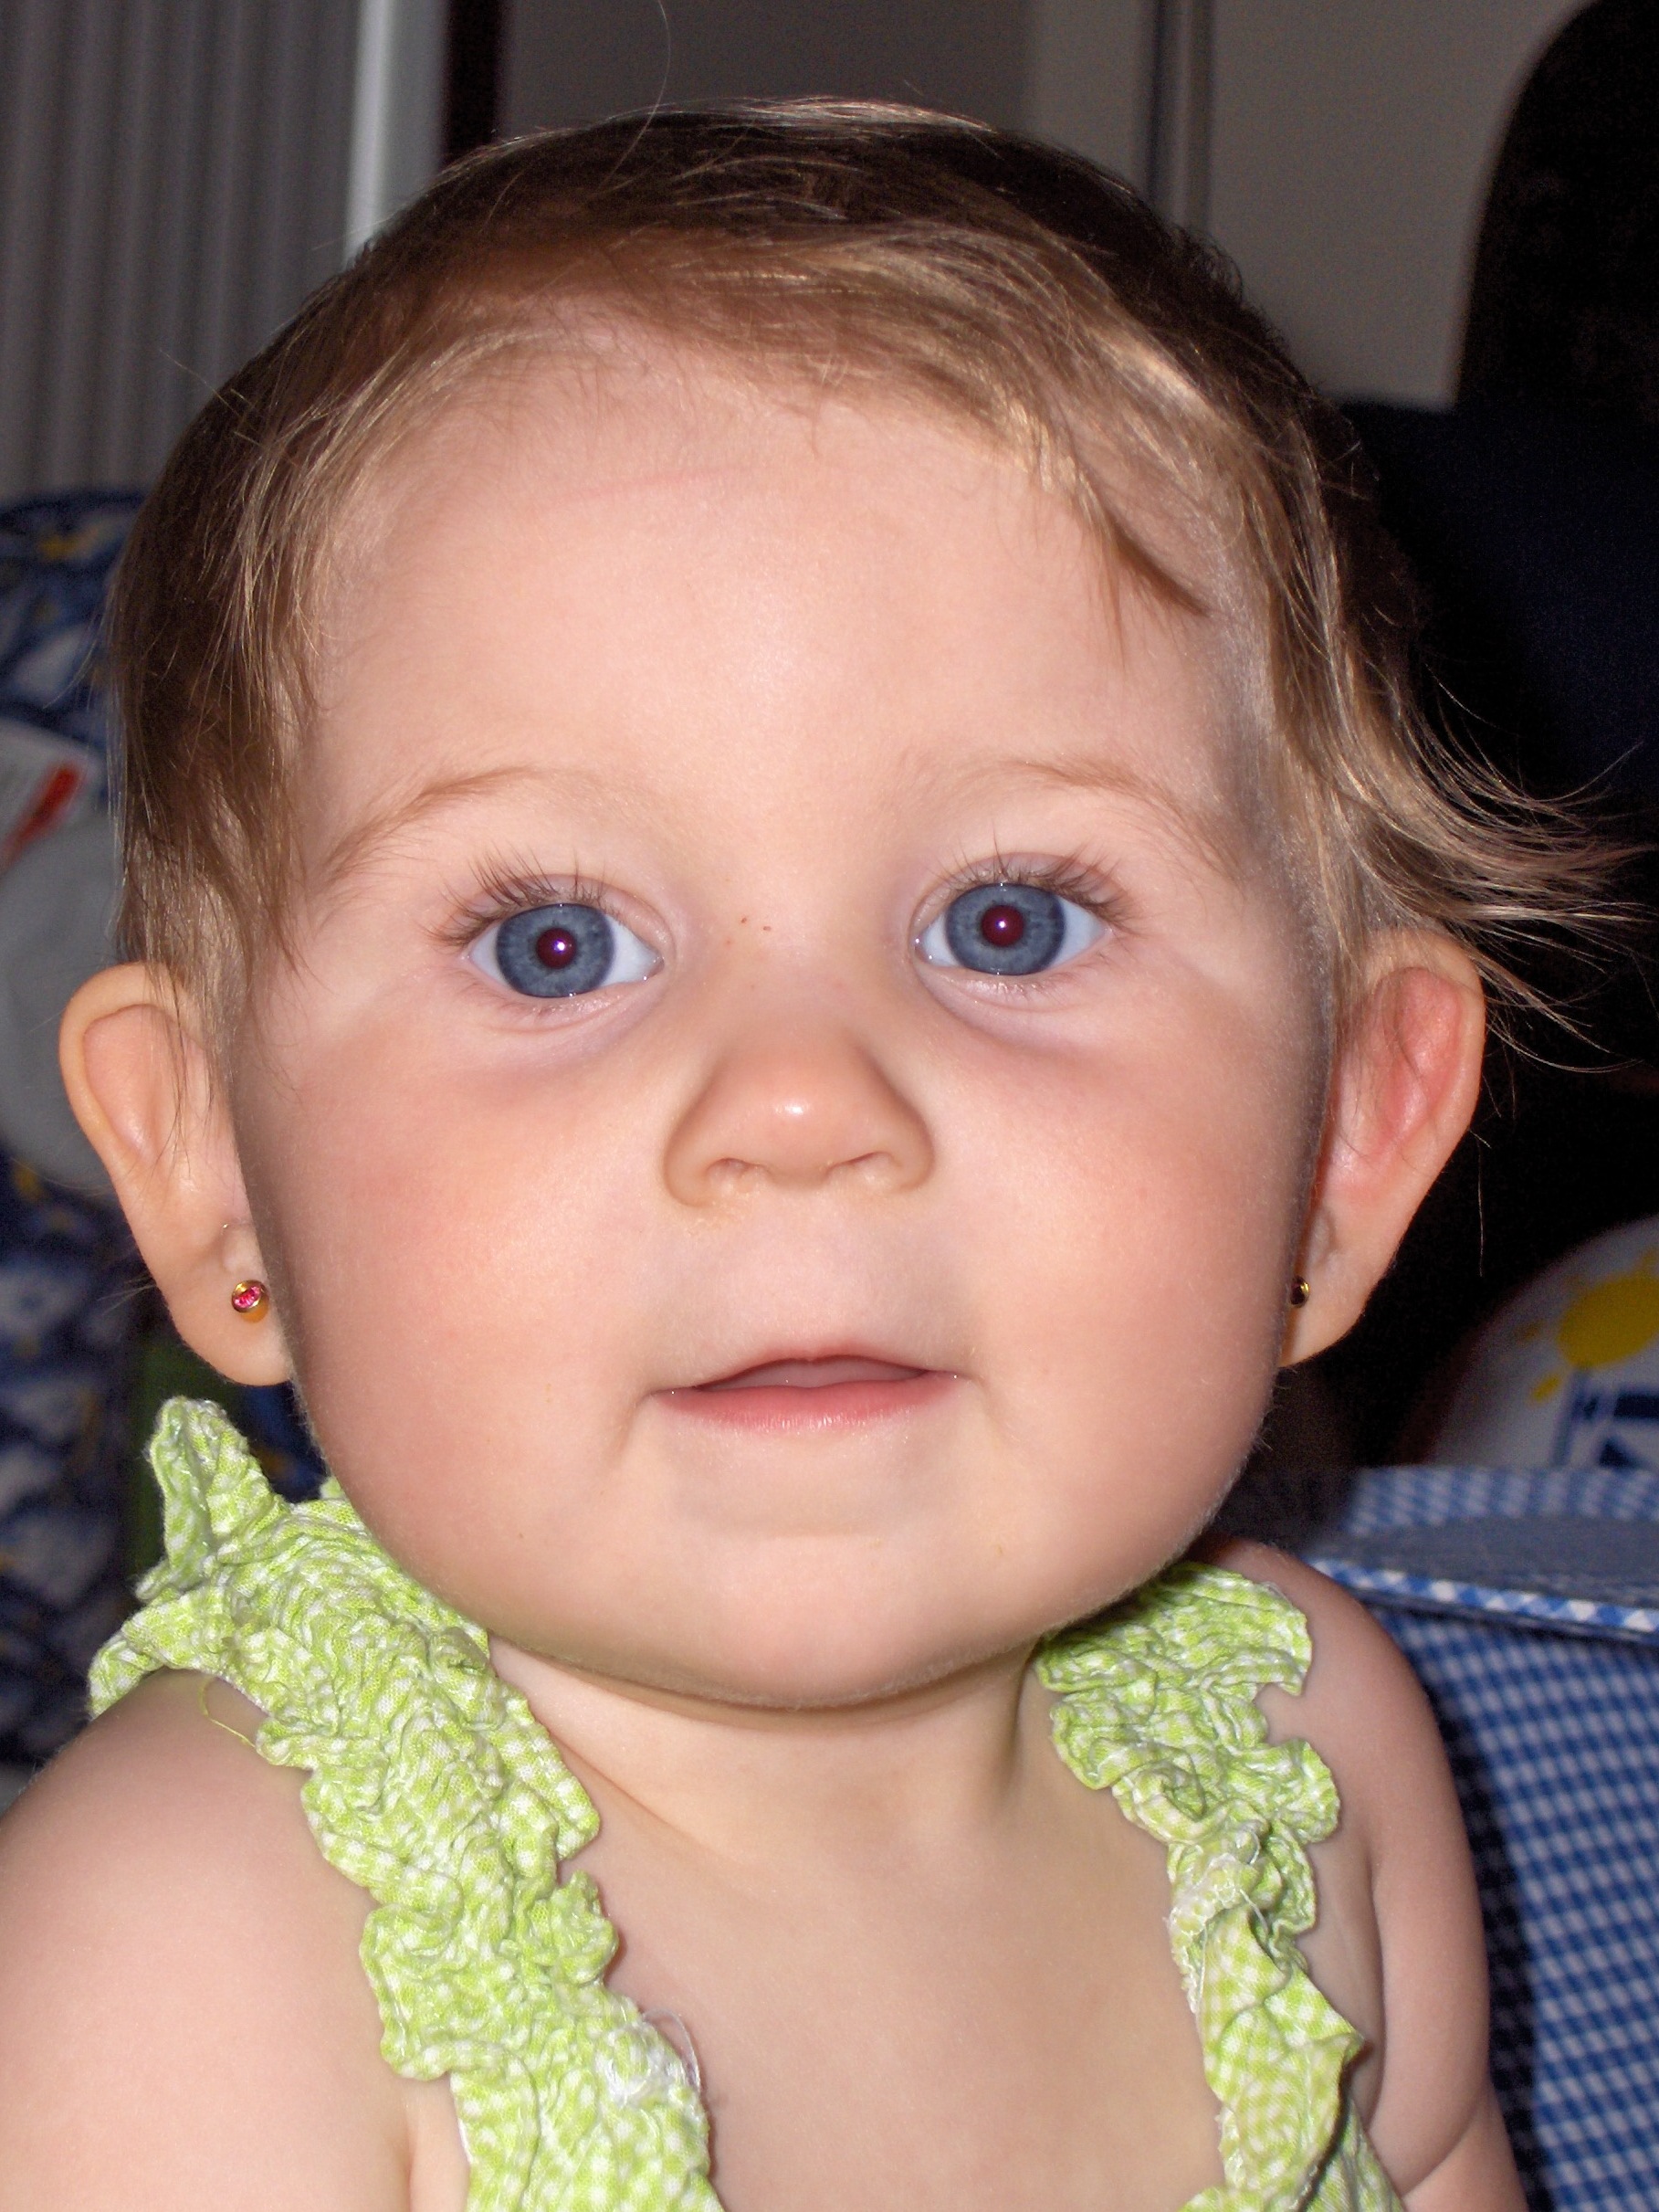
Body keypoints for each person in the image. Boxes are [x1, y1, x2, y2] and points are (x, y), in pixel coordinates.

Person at [0, 104, 1593, 2209]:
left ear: (1349, 1137)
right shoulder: (178, 1957)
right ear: (212, 1169)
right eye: (556, 943)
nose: (799, 1105)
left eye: (1006, 921)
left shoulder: (1321, 1767)